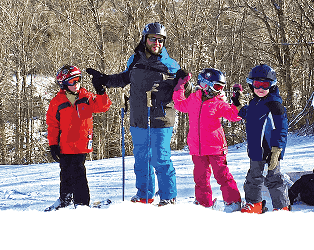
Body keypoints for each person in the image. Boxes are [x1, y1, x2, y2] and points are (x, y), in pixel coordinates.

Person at [86, 22, 188, 206]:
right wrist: (104, 80)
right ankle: (144, 194)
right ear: (145, 39)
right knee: (141, 159)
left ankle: (168, 197)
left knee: (160, 159)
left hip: (161, 119)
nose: (156, 43)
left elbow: (180, 91)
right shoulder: (135, 60)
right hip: (139, 118)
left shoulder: (171, 65)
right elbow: (124, 79)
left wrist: (184, 83)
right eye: (152, 39)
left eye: (160, 40)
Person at [173, 68, 242, 213]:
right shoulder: (193, 99)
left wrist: (237, 102)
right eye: (217, 86)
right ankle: (203, 204)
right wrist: (180, 86)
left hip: (215, 147)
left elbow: (234, 116)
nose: (219, 90)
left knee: (222, 176)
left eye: (222, 87)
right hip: (197, 148)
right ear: (205, 84)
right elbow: (179, 104)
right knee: (200, 179)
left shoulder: (218, 103)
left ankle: (233, 202)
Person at [45, 65, 112, 211]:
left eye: (78, 80)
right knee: (65, 172)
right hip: (64, 145)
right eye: (72, 81)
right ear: (63, 84)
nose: (76, 84)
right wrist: (53, 144)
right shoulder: (57, 102)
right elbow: (52, 125)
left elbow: (103, 106)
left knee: (78, 172)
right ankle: (65, 198)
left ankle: (81, 203)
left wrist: (101, 91)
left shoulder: (86, 97)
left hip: (81, 144)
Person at [232, 64, 289, 214]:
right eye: (258, 84)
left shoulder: (274, 103)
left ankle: (281, 207)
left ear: (272, 85)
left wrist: (277, 150)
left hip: (271, 149)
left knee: (274, 178)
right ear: (252, 84)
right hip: (256, 150)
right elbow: (248, 115)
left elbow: (282, 128)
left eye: (265, 85)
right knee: (253, 177)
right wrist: (238, 104)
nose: (261, 89)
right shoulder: (255, 102)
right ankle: (254, 204)